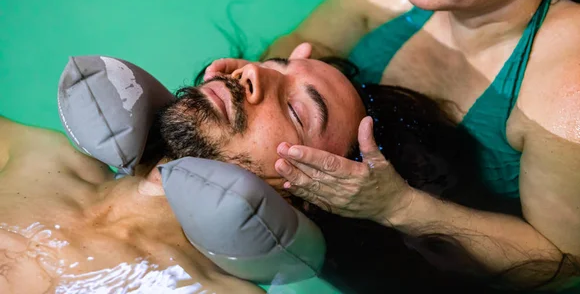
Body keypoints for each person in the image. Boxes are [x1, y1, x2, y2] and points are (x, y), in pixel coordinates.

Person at [204, 0, 580, 291]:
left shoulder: (578, 83)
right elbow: (306, 42)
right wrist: (247, 85)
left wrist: (399, 207)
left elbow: (564, 263)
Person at [0, 56, 364, 294]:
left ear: (301, 197)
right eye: (271, 64)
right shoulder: (35, 155)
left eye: (297, 112)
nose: (250, 72)